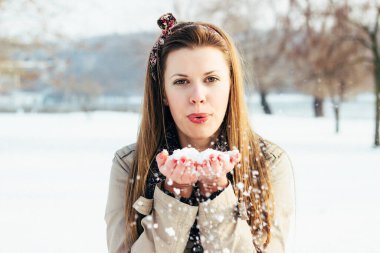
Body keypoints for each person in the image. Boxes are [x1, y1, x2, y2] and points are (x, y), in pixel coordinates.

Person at [105, 13, 295, 253]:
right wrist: (174, 197)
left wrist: (216, 193)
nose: (197, 96)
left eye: (211, 79)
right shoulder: (130, 164)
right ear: (163, 92)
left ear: (230, 85)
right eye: (181, 82)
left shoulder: (268, 163)